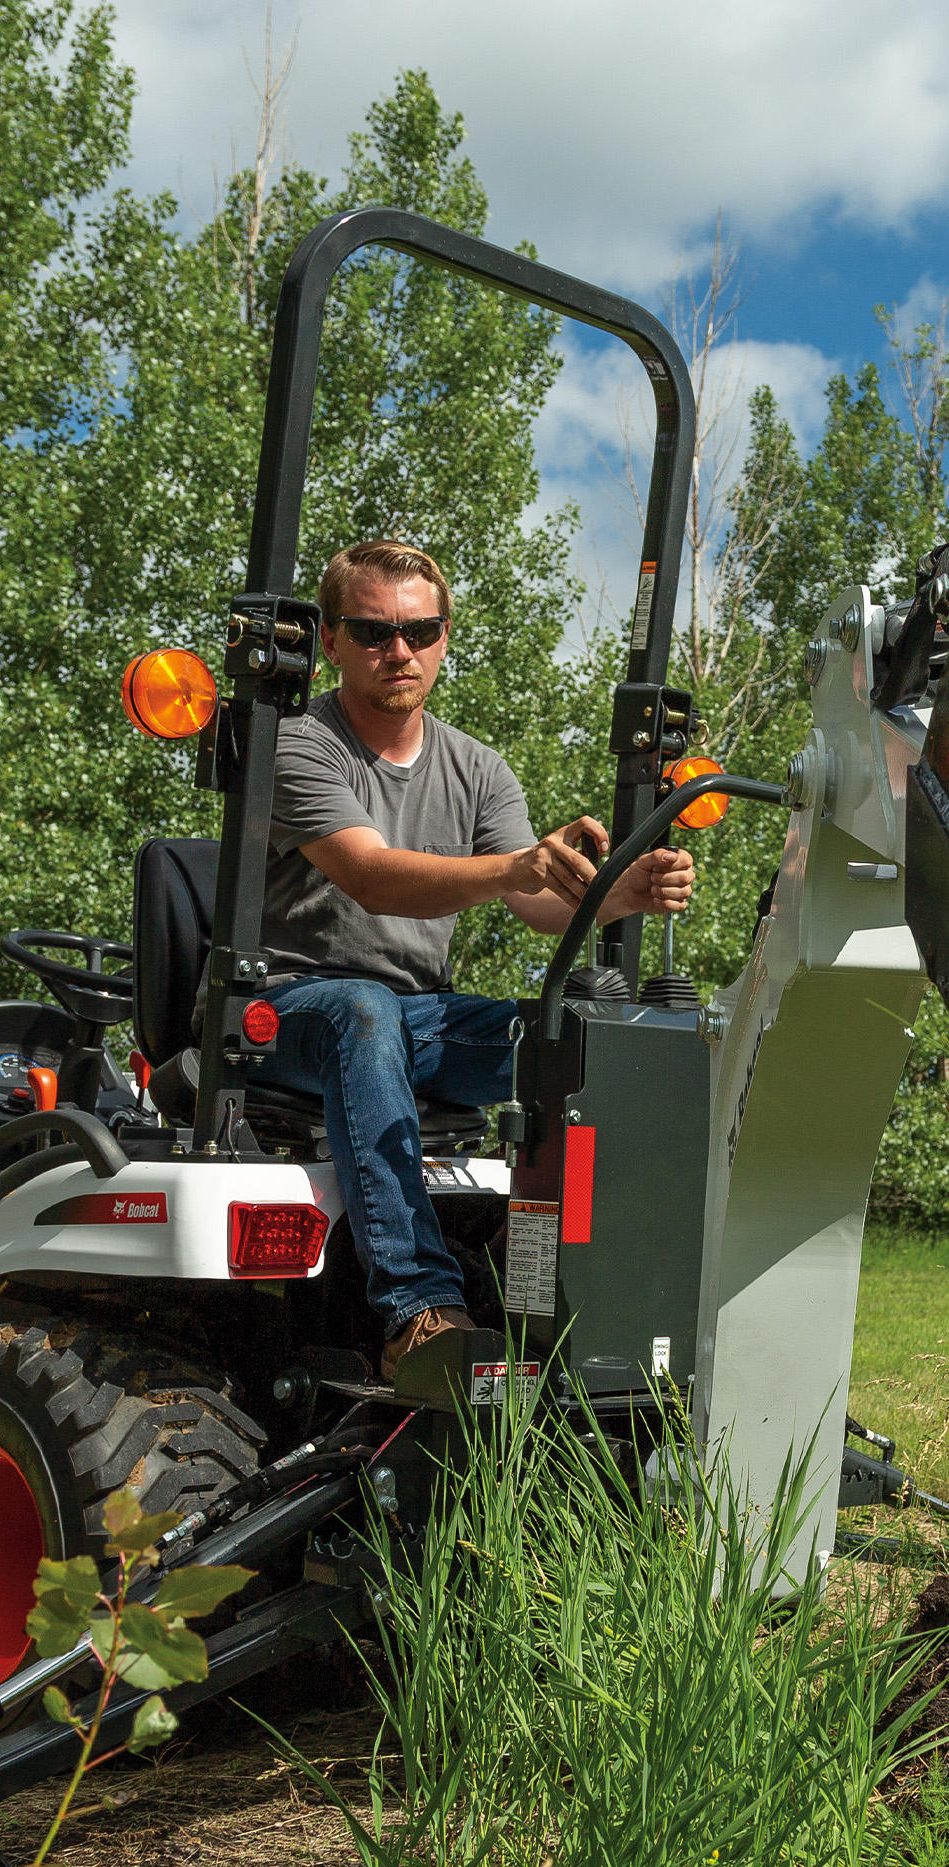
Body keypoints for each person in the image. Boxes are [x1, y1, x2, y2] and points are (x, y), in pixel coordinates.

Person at [252, 540, 694, 1377]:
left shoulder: (476, 767)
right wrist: (518, 865)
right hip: (287, 1009)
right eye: (374, 631)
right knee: (361, 1010)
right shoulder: (298, 744)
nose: (400, 651)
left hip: (415, 1019)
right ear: (332, 642)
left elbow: (536, 902)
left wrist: (624, 890)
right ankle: (419, 1314)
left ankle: (595, 1293)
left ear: (446, 637)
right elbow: (374, 878)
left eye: (421, 630)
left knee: (588, 1036)